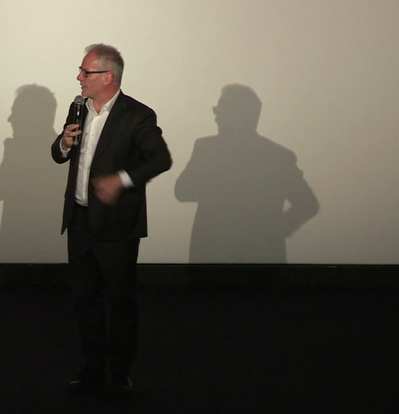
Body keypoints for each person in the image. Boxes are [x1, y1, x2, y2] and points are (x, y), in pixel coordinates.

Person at [50, 44, 172, 396]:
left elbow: (159, 159)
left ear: (107, 77)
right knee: (85, 300)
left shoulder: (138, 115)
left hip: (117, 226)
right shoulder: (78, 107)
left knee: (120, 302)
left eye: (85, 72)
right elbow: (59, 154)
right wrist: (64, 144)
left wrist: (122, 179)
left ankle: (120, 373)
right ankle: (93, 368)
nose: (79, 77)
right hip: (80, 220)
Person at [175, 84, 319, 262]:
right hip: (259, 260)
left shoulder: (207, 149)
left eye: (219, 111)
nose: (216, 117)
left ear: (235, 115)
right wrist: (272, 233)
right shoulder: (278, 156)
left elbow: (183, 191)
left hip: (213, 258)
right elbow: (308, 204)